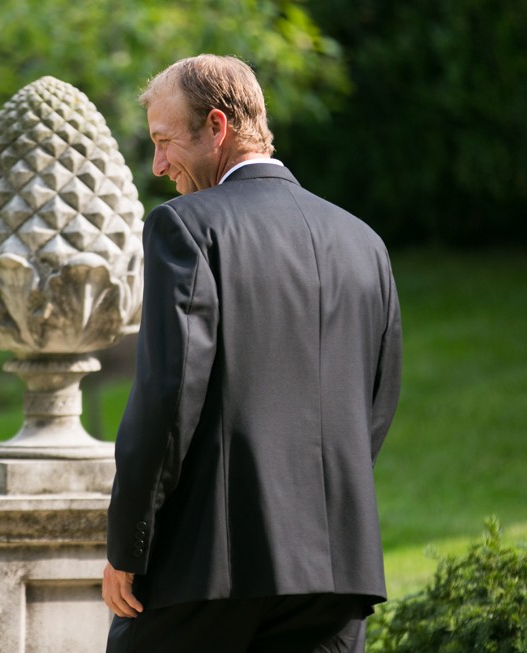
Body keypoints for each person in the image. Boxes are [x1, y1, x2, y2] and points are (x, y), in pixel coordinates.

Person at [102, 54, 402, 652]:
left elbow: (167, 397)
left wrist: (127, 547)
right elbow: (375, 403)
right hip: (337, 575)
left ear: (216, 127)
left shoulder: (185, 227)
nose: (160, 167)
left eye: (164, 143)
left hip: (206, 570)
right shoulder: (364, 242)